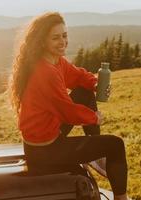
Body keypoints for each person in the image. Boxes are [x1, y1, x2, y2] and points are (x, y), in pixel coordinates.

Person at [9, 12, 129, 200]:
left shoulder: (55, 61)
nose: (62, 41)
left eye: (64, 35)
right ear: (42, 41)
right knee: (115, 145)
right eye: (55, 37)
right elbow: (68, 112)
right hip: (44, 150)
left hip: (46, 133)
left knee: (84, 91)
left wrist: (95, 84)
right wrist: (94, 117)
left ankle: (95, 156)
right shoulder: (45, 72)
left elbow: (78, 76)